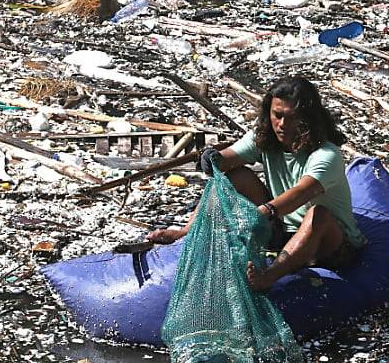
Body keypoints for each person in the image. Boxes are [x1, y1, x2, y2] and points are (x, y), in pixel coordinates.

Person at [147, 76, 365, 292]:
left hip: (328, 243)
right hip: (282, 230)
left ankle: (269, 277)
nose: (282, 125)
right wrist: (212, 159)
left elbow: (302, 192)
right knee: (237, 176)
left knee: (318, 214)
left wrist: (265, 212)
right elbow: (228, 159)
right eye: (277, 116)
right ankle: (186, 231)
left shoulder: (326, 154)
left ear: (308, 118)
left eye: (292, 117)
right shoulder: (264, 138)